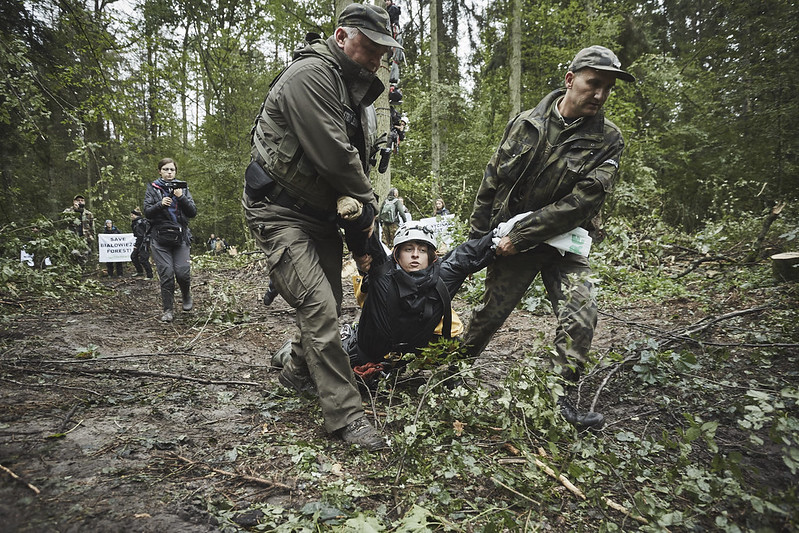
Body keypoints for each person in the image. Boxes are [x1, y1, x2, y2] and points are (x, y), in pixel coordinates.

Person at [242, 3, 402, 451]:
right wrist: (369, 214)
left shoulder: (355, 96)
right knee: (319, 307)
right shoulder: (309, 77)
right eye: (368, 48)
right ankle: (346, 417)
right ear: (340, 37)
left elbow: (349, 186)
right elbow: (338, 160)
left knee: (328, 302)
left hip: (319, 216)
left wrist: (362, 244)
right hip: (278, 211)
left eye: (381, 54)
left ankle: (295, 372)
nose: (374, 60)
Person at [463, 45, 635, 430]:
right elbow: (491, 181)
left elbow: (581, 203)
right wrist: (478, 241)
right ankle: (446, 378)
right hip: (511, 243)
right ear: (570, 80)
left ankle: (559, 401)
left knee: (582, 312)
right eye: (594, 84)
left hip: (564, 244)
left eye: (608, 88)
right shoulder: (526, 123)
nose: (600, 95)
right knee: (488, 316)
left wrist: (522, 234)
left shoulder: (608, 139)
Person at [143, 157, 197, 323]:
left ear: (175, 171)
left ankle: (186, 295)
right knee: (166, 274)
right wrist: (160, 204)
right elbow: (147, 211)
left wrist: (181, 197)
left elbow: (193, 212)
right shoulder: (153, 188)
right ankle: (168, 310)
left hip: (180, 237)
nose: (169, 172)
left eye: (172, 170)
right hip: (159, 238)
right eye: (165, 169)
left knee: (182, 271)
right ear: (160, 171)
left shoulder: (183, 188)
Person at [63, 194, 95, 260]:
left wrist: (91, 238)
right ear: (74, 201)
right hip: (72, 239)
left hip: (85, 240)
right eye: (78, 200)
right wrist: (74, 210)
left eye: (82, 200)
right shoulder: (68, 211)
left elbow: (92, 228)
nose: (80, 202)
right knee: (73, 256)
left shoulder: (88, 214)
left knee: (84, 258)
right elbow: (63, 220)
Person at [130, 208, 153, 279]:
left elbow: (141, 235)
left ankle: (150, 275)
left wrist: (136, 246)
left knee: (143, 259)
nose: (131, 216)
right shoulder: (136, 222)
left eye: (132, 215)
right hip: (141, 242)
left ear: (136, 215)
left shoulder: (139, 223)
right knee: (134, 256)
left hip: (144, 243)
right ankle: (140, 272)